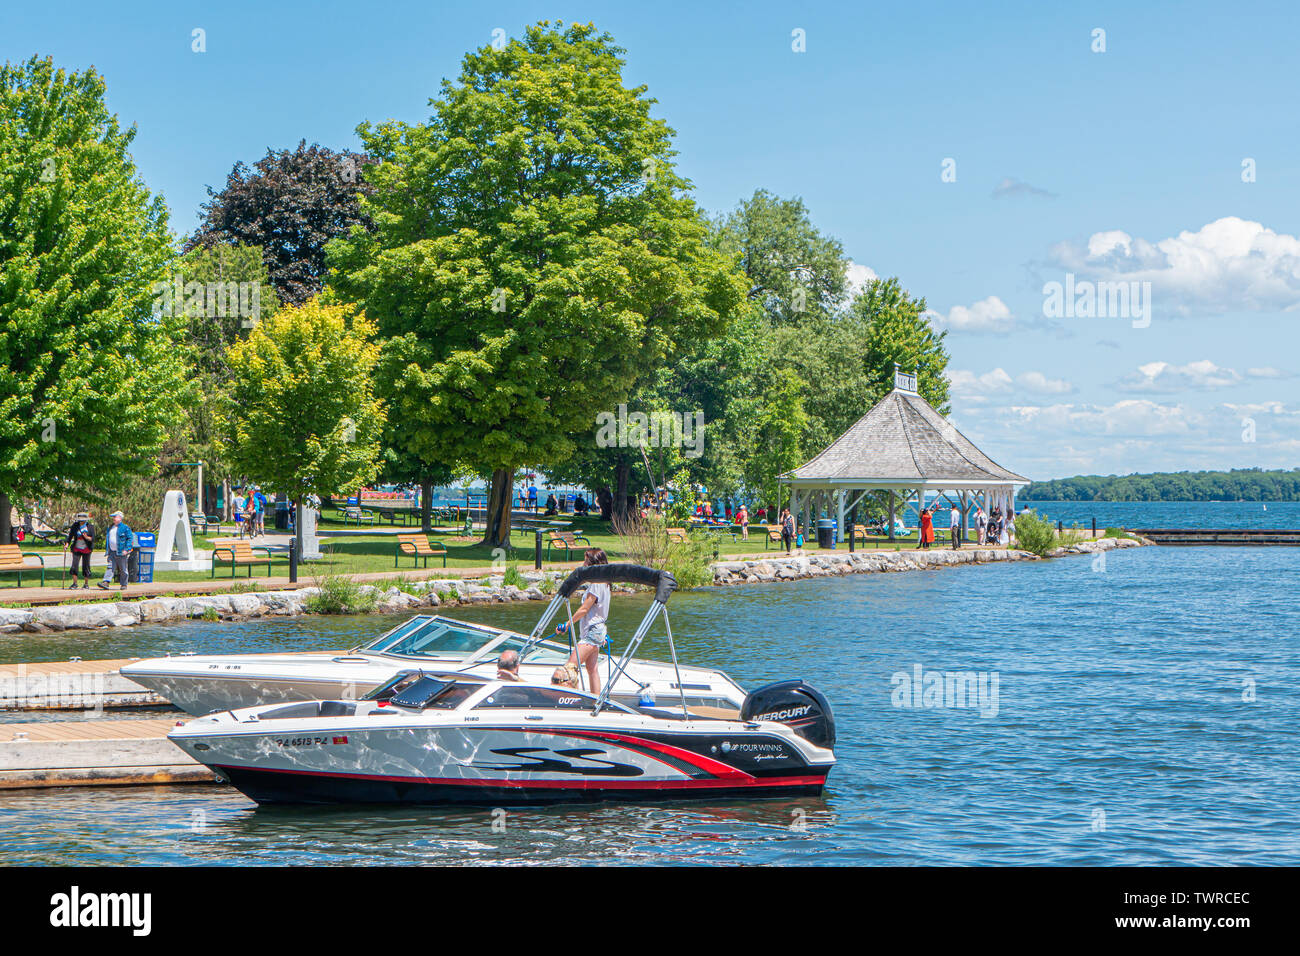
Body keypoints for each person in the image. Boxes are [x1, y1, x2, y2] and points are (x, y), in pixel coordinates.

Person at [556, 548, 611, 693]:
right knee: (592, 669)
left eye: (587, 561)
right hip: (597, 631)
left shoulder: (596, 584)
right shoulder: (605, 583)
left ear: (594, 564)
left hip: (592, 632)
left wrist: (567, 624)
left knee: (570, 668)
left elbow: (584, 609)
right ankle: (595, 699)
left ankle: (571, 699)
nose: (584, 564)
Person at [97, 510, 134, 591]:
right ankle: (106, 582)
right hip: (112, 552)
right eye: (113, 517)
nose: (113, 518)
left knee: (123, 569)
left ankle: (124, 584)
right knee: (110, 567)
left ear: (120, 518)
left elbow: (130, 539)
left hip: (121, 552)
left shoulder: (125, 528)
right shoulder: (110, 528)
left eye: (115, 517)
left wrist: (126, 549)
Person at [65, 512, 95, 589]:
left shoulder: (90, 527)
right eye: (80, 520)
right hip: (76, 548)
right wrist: (67, 544)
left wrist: (86, 537)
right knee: (74, 565)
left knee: (86, 566)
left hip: (86, 549)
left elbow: (93, 538)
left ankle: (86, 584)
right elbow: (70, 536)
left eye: (82, 520)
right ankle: (75, 583)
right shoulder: (75, 526)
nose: (81, 521)